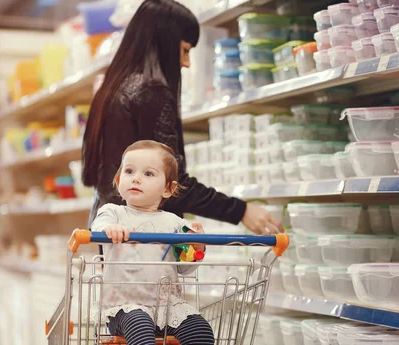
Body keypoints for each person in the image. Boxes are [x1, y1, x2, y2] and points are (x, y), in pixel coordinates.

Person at [81, 0, 282, 235]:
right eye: (185, 50)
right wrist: (240, 210)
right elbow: (173, 182)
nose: (186, 63)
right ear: (165, 42)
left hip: (110, 229)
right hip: (143, 235)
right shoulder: (151, 92)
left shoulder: (112, 88)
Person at [91, 140, 215, 345]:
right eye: (129, 171)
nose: (136, 178)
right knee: (139, 320)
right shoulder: (113, 213)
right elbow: (97, 229)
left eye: (148, 174)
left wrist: (195, 246)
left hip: (165, 306)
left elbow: (183, 269)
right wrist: (109, 231)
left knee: (201, 331)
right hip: (124, 308)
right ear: (117, 179)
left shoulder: (173, 223)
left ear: (168, 189)